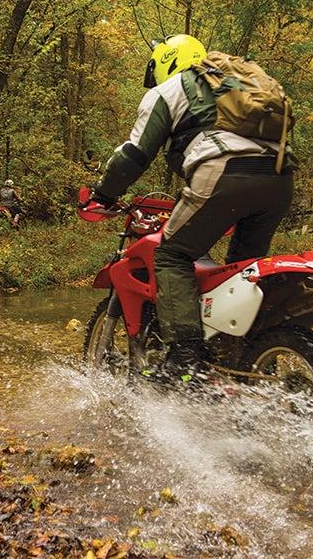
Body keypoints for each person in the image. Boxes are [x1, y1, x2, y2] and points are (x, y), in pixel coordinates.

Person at [84, 34, 294, 385]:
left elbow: (134, 154)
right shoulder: (233, 85)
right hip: (279, 178)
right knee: (240, 272)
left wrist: (103, 194)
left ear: (165, 61)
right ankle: (244, 359)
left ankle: (185, 358)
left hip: (227, 176)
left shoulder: (169, 91)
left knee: (171, 256)